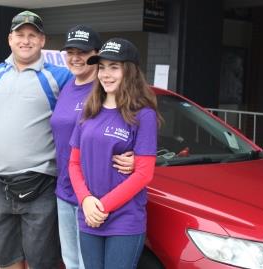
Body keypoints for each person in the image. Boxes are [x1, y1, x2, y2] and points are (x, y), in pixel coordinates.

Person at [0, 11, 72, 269]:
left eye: (32, 35)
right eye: (20, 34)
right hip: (0, 183)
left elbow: (97, 97)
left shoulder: (60, 77)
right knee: (7, 260)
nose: (26, 40)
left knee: (40, 263)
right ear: (10, 39)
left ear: (42, 40)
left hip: (41, 184)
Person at [68, 38, 161, 269]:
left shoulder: (143, 114)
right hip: (89, 215)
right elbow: (73, 163)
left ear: (129, 71)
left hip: (124, 219)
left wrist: (102, 206)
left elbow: (144, 174)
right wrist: (86, 201)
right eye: (102, 67)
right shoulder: (90, 110)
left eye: (114, 67)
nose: (105, 74)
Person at [50, 25, 134, 269]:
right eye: (70, 51)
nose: (76, 58)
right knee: (71, 262)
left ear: (97, 56)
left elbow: (135, 132)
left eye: (83, 52)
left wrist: (139, 158)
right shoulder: (66, 86)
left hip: (96, 196)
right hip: (65, 189)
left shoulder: (108, 92)